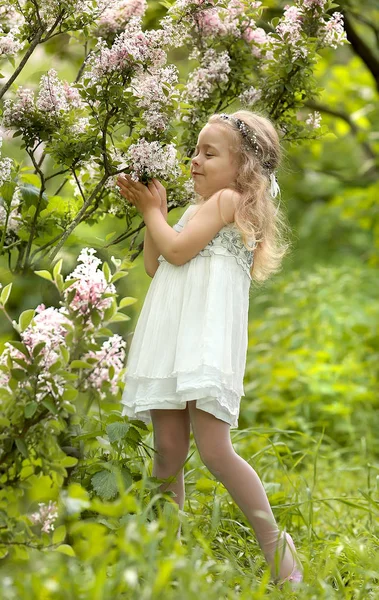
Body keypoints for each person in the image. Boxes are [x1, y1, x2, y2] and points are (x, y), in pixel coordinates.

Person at [116, 110, 303, 588]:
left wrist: (152, 215)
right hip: (173, 338)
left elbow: (177, 252)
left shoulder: (227, 201)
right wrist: (153, 215)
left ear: (241, 170)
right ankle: (169, 562)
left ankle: (280, 553)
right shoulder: (192, 210)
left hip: (201, 340)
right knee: (168, 451)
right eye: (195, 151)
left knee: (216, 451)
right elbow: (159, 265)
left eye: (208, 153)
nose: (194, 160)